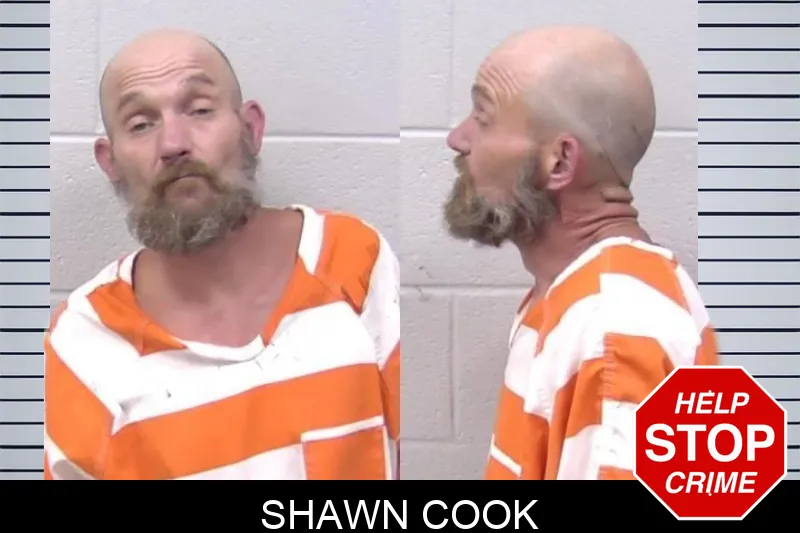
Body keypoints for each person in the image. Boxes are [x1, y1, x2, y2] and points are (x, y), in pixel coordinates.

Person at [44, 28, 399, 480]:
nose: (173, 144)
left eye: (199, 110)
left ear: (250, 129)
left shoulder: (354, 260)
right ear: (110, 162)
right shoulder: (83, 344)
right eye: (141, 124)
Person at [443, 26, 718, 480]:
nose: (458, 137)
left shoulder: (615, 331)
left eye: (483, 117)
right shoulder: (579, 299)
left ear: (560, 163)